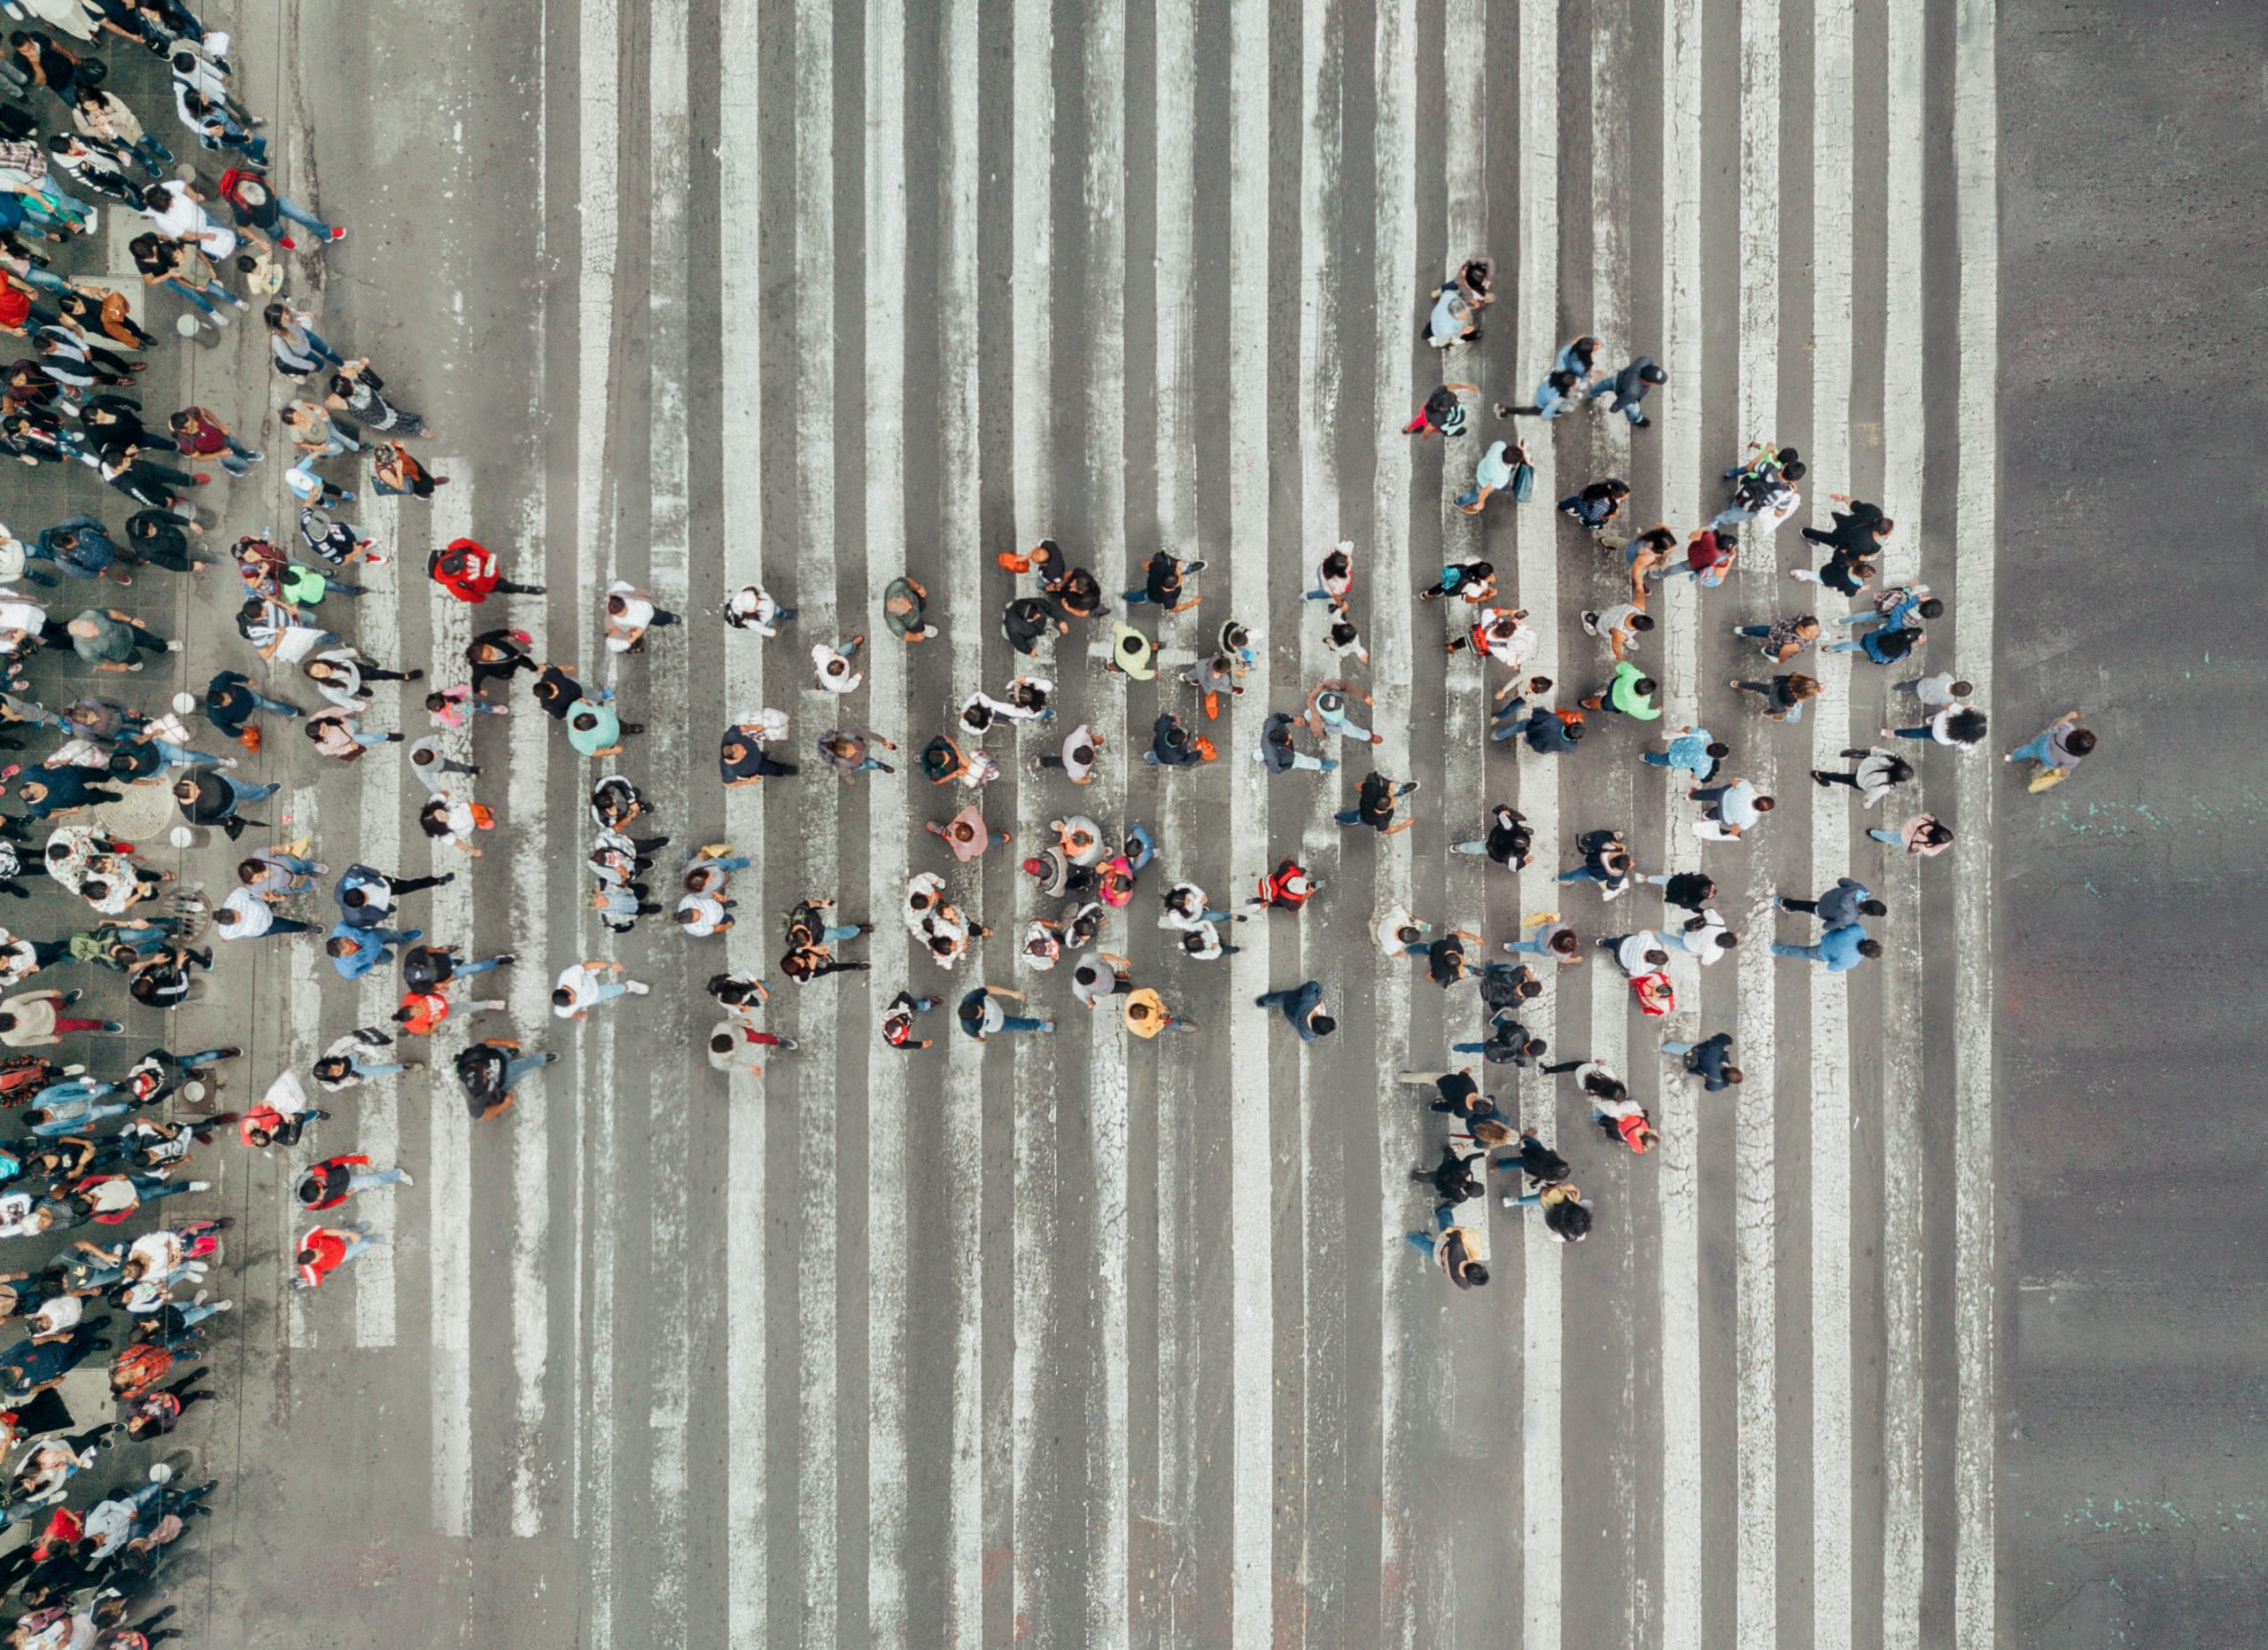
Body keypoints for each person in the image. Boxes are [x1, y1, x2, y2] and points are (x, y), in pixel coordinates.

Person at [2004, 709, 2093, 790]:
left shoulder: (2068, 729)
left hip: (2043, 744)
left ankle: (2012, 757)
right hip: (2050, 760)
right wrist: (2063, 775)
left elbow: (2059, 724)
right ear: (2084, 752)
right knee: (2054, 770)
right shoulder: (2074, 759)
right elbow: (2063, 770)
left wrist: (2070, 715)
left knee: (2029, 749)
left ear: (2076, 733)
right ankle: (2038, 778)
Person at [295, 1155, 411, 1210]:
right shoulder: (311, 1204)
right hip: (342, 1189)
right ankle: (397, 1174)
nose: (321, 1198)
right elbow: (327, 1204)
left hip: (337, 1172)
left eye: (320, 1196)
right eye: (319, 1199)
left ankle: (350, 1159)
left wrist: (361, 1160)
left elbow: (336, 1161)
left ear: (318, 1185)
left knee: (343, 1162)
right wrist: (344, 1196)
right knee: (369, 1181)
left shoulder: (317, 1170)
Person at [1811, 746, 1914, 809]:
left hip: (1865, 767)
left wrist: (1870, 751)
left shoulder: (1893, 758)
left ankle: (1858, 752)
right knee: (1841, 778)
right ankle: (1819, 774)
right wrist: (1867, 805)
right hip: (1860, 781)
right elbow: (1870, 796)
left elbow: (1878, 751)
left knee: (1842, 777)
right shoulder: (1885, 786)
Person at [1584, 354, 1666, 425]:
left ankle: (1589, 393)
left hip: (1619, 378)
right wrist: (1613, 408)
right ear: (1647, 381)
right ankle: (1637, 419)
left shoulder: (1645, 360)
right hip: (1624, 392)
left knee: (1601, 385)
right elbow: (1622, 401)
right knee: (1633, 409)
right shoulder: (1633, 391)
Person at [293, 1226, 381, 1289]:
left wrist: (349, 1234)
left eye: (319, 1252)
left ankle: (356, 1230)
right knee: (365, 1244)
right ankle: (369, 1239)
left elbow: (325, 1231)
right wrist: (320, 1276)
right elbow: (318, 1280)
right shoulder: (310, 1272)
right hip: (342, 1255)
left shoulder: (307, 1240)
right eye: (319, 1257)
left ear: (309, 1248)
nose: (322, 1254)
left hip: (336, 1238)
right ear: (311, 1264)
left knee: (349, 1230)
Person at [1769, 922, 1880, 972]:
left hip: (1827, 937)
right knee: (1804, 952)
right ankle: (1778, 949)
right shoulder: (1852, 961)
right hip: (1822, 953)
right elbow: (1832, 967)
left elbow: (1845, 924)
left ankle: (1777, 948)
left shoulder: (1859, 931)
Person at [956, 984, 1052, 1041]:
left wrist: (1011, 993)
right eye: (980, 1012)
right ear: (974, 1019)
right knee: (1019, 1024)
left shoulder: (971, 998)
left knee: (1017, 1023)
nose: (982, 1009)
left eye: (979, 1007)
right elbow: (976, 1038)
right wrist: (982, 1041)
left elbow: (990, 989)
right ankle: (1038, 1024)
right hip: (997, 1023)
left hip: (993, 1007)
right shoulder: (969, 1027)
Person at [1335, 770, 1418, 836]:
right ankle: (1399, 791)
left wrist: (1388, 784)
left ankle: (1340, 817)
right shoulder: (1381, 821)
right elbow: (1388, 830)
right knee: (1358, 817)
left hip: (1364, 809)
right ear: (1386, 809)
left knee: (1353, 816)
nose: (1394, 801)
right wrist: (1406, 824)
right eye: (1392, 802)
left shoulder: (1372, 790)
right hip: (1365, 818)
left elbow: (1357, 785)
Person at [1689, 777, 1775, 840]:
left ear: (1759, 798)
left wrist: (1752, 788)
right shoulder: (1751, 819)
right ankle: (1707, 815)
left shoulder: (1748, 790)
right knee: (1717, 814)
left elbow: (1735, 782)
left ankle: (1692, 795)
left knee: (1712, 794)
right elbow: (1735, 828)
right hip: (1724, 815)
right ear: (1762, 810)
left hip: (1723, 796)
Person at [1777, 877, 1886, 926]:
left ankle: (1788, 903)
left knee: (1808, 905)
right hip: (1822, 910)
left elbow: (1841, 881)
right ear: (1869, 914)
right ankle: (1785, 903)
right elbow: (1827, 926)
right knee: (1805, 906)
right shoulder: (1850, 918)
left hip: (1828, 897)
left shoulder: (1860, 890)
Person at [1449, 803, 1531, 868]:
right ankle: (1459, 848)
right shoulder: (1514, 854)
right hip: (1492, 848)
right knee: (1478, 848)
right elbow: (1514, 866)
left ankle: (1459, 848)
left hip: (1496, 839)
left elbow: (1502, 815)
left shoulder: (1511, 827)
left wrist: (1507, 812)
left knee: (1477, 847)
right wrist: (1526, 861)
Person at [1642, 723, 1727, 783]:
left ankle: (1647, 757)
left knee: (1664, 757)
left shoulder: (1705, 735)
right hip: (1677, 759)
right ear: (1715, 757)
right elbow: (1694, 777)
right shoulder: (1705, 765)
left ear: (1716, 743)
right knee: (1662, 760)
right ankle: (1647, 757)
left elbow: (1686, 728)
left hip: (1677, 745)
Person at [1254, 980, 1334, 1041]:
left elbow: (1312, 986)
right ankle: (1263, 1002)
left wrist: (1318, 991)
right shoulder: (1308, 1034)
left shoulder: (1310, 999)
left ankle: (1263, 1001)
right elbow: (1306, 1037)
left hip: (1293, 1000)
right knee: (1283, 1000)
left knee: (1283, 997)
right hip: (1290, 1014)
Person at [1662, 1031, 1742, 1091]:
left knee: (1685, 1049)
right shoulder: (1719, 1084)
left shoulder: (1714, 1054)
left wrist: (1727, 1042)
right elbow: (1708, 1087)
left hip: (1696, 1053)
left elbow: (1715, 1042)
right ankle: (1667, 1048)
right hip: (1694, 1066)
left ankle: (1666, 1047)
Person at [1734, 613, 1820, 664]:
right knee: (1770, 651)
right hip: (1777, 645)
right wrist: (1780, 661)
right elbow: (1784, 653)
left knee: (1760, 630)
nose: (1816, 634)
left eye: (1817, 629)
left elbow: (1808, 616)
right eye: (1811, 631)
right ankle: (1766, 652)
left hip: (1776, 630)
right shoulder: (1795, 644)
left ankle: (1743, 631)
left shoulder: (1804, 619)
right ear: (1801, 627)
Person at [1869, 813, 1953, 856]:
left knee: (1892, 837)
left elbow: (1915, 820)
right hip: (1906, 840)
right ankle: (1874, 833)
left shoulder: (1929, 820)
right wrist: (1922, 846)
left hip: (1906, 833)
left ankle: (1874, 833)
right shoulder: (1926, 841)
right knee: (1891, 838)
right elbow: (1931, 852)